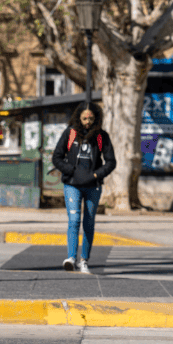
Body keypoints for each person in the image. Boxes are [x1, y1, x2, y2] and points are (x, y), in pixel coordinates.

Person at [52, 102, 116, 274]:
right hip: (72, 184)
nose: (87, 121)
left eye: (91, 118)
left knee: (89, 223)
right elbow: (56, 158)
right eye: (84, 118)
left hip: (93, 186)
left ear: (96, 118)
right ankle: (71, 258)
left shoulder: (102, 136)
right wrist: (71, 171)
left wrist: (96, 175)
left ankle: (84, 261)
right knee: (74, 220)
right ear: (78, 118)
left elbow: (111, 162)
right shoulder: (70, 133)